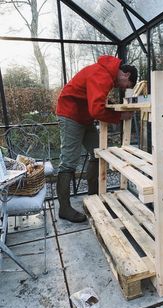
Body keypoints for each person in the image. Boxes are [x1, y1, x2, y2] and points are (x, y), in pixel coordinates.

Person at [56, 55, 138, 223]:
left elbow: (95, 102)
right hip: (70, 114)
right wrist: (121, 115)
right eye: (127, 86)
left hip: (84, 117)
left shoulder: (106, 74)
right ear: (127, 75)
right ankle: (64, 208)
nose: (123, 88)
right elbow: (96, 111)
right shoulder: (101, 75)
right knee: (68, 162)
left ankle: (94, 198)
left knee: (98, 153)